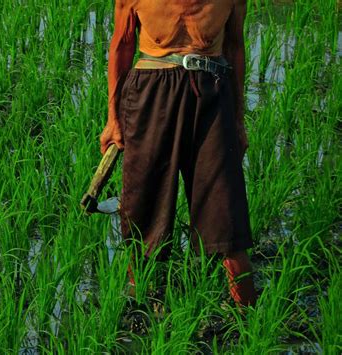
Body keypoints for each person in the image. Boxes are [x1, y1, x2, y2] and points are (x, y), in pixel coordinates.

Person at [100, 0, 258, 307]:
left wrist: (238, 121)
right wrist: (113, 119)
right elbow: (122, 44)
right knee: (142, 208)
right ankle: (138, 304)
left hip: (212, 93)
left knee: (226, 214)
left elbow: (235, 49)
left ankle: (249, 318)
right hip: (150, 92)